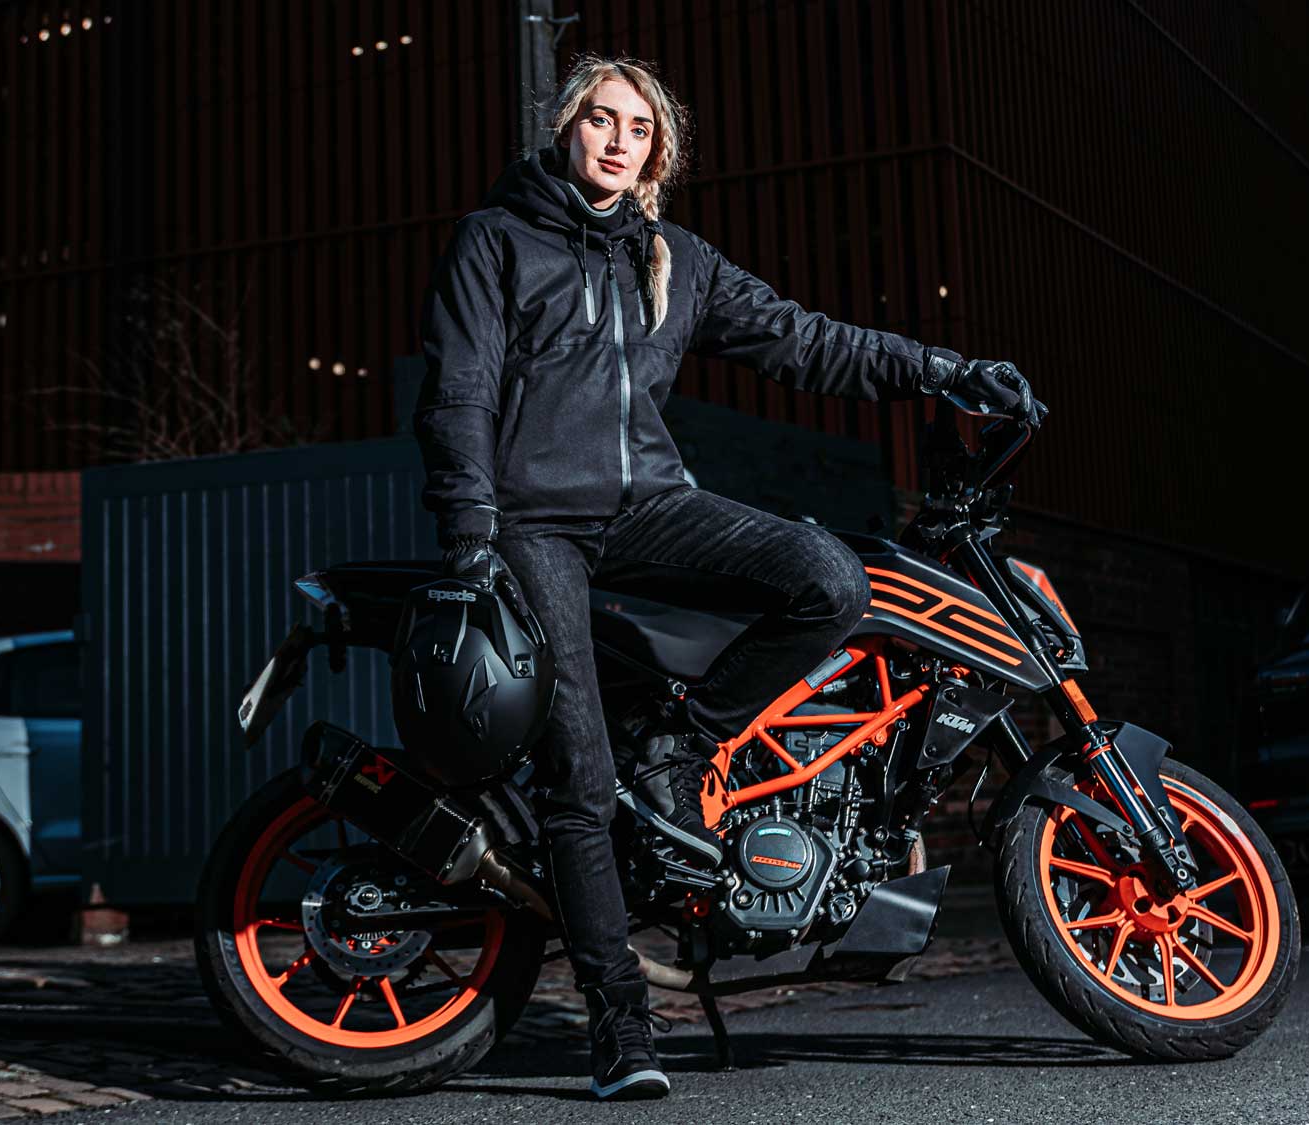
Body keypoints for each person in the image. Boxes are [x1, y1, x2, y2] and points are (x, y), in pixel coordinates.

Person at [411, 55, 1043, 1100]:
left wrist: (942, 368)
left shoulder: (674, 259)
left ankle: (678, 739)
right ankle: (621, 1023)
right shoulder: (496, 239)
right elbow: (461, 391)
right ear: (565, 129)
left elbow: (808, 342)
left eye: (639, 129)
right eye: (600, 120)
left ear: (657, 151)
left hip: (648, 504)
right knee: (574, 775)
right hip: (535, 521)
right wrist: (471, 530)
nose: (618, 140)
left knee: (827, 580)